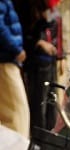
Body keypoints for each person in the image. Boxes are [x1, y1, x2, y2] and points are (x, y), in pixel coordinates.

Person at [17, 0, 59, 131]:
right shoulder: (27, 8)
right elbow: (24, 35)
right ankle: (40, 142)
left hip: (50, 61)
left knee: (51, 104)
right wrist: (37, 43)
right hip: (37, 63)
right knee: (39, 105)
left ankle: (49, 140)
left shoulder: (49, 10)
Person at [0, 0, 29, 138]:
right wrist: (16, 49)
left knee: (12, 114)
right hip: (5, 60)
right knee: (17, 114)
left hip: (7, 59)